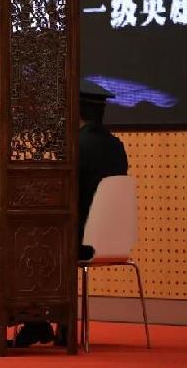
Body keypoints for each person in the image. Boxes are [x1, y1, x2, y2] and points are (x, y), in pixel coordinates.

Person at [11, 80, 128, 348]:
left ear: (75, 114)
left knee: (21, 244)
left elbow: (58, 192)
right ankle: (54, 325)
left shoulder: (75, 146)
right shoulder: (117, 147)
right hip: (110, 239)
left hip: (79, 239)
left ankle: (35, 322)